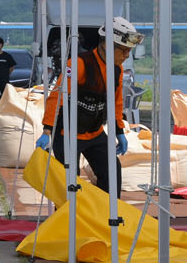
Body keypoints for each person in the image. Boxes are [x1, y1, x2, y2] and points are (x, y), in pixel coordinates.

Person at [40, 16, 138, 190]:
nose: (126, 56)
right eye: (123, 50)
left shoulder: (117, 69)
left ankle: (107, 208)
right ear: (107, 44)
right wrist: (47, 131)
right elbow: (56, 97)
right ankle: (68, 209)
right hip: (67, 134)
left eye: (129, 51)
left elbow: (116, 102)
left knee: (112, 173)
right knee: (69, 184)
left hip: (94, 133)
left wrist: (119, 131)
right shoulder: (78, 64)